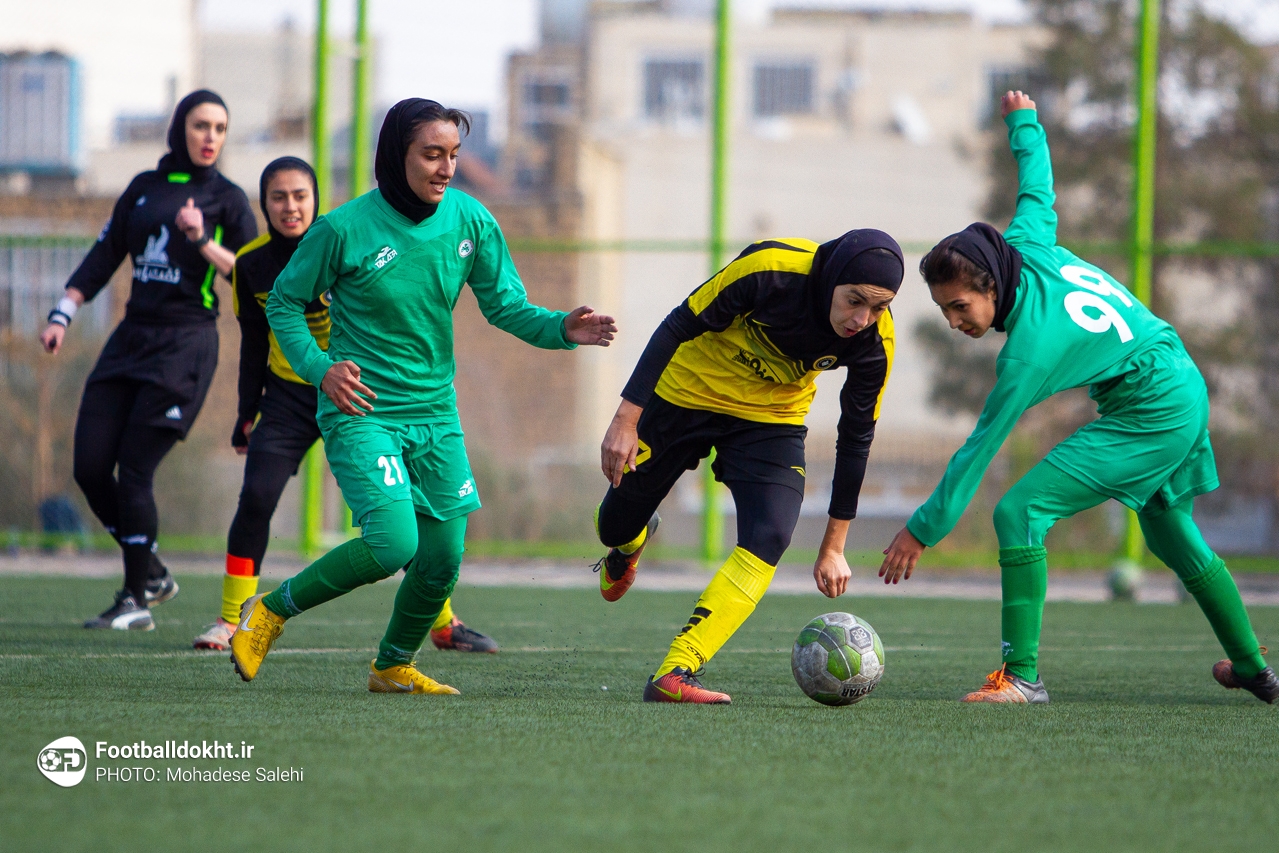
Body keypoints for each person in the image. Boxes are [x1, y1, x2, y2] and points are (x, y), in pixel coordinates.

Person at [880, 91, 1276, 705]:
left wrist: (921, 530)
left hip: (1151, 405)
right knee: (1170, 532)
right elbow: (1037, 189)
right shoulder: (1025, 246)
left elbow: (982, 445)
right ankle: (1254, 668)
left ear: (991, 286)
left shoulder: (1028, 351)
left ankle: (1022, 677)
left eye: (961, 306)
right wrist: (1024, 123)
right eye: (943, 309)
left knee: (1019, 512)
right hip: (1179, 380)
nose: (956, 320)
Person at [228, 98, 616, 693]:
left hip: (436, 413)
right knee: (392, 543)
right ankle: (270, 611)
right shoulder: (342, 228)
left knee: (442, 557)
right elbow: (283, 302)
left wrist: (564, 327)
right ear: (396, 156)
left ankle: (392, 665)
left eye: (454, 155)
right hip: (363, 411)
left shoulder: (471, 221)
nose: (446, 168)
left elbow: (507, 307)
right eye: (432, 154)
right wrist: (320, 368)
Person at [193, 157, 498, 654]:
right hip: (291, 396)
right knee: (257, 499)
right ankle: (233, 620)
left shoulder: (343, 238)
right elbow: (254, 339)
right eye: (277, 197)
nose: (290, 206)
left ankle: (441, 621)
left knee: (409, 520)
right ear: (264, 204)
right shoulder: (251, 263)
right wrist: (247, 411)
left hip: (364, 393)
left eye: (299, 195)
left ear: (315, 199)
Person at [596, 230, 904, 703]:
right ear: (832, 280)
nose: (862, 319)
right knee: (613, 524)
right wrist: (626, 419)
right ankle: (632, 538)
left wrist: (834, 545)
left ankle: (677, 670)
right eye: (854, 300)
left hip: (770, 418)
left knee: (771, 535)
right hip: (687, 392)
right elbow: (677, 324)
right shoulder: (770, 271)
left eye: (879, 307)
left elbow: (857, 435)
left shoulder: (875, 342)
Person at [40, 90, 257, 631]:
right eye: (201, 125)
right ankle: (153, 571)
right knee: (90, 468)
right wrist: (64, 311)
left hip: (185, 346)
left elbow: (254, 277)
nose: (211, 136)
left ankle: (135, 598)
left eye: (221, 128)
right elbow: (106, 252)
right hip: (130, 338)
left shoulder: (228, 200)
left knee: (135, 470)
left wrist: (202, 240)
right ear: (180, 128)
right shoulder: (143, 188)